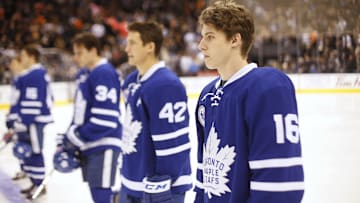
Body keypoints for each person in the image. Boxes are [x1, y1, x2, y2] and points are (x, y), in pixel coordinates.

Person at [194, 1, 304, 203]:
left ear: (235, 40)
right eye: (202, 37)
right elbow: (204, 177)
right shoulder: (207, 96)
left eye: (210, 37)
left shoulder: (268, 88)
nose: (201, 45)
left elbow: (280, 186)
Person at [119, 21, 192, 203]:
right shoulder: (131, 81)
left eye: (133, 43)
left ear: (150, 46)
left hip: (159, 188)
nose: (126, 48)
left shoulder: (166, 85)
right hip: (132, 182)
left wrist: (164, 183)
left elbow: (174, 143)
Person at [59, 32, 122, 203]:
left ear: (93, 50)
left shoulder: (104, 73)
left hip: (104, 142)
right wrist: (70, 134)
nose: (75, 57)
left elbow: (106, 119)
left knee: (101, 193)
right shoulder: (84, 74)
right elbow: (80, 113)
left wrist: (76, 137)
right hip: (91, 143)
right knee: (98, 192)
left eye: (79, 53)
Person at [7, 44, 54, 199]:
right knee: (30, 151)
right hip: (31, 120)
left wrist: (22, 121)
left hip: (34, 121)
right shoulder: (34, 74)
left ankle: (40, 185)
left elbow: (34, 101)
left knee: (35, 151)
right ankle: (36, 182)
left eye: (24, 56)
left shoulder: (35, 74)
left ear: (32, 57)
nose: (22, 59)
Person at [4, 55, 27, 181]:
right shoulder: (17, 78)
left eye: (13, 63)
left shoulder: (25, 78)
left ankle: (31, 173)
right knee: (19, 145)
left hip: (21, 119)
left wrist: (17, 117)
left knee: (26, 146)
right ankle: (24, 169)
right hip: (15, 118)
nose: (11, 66)